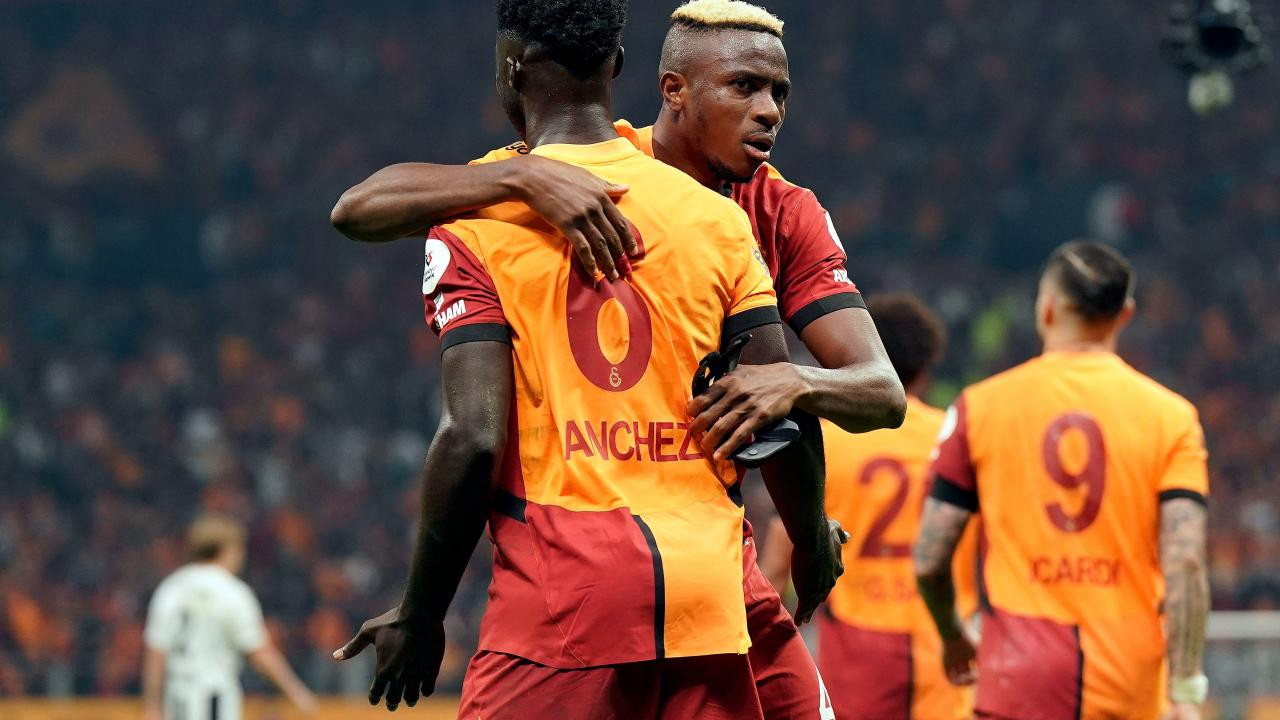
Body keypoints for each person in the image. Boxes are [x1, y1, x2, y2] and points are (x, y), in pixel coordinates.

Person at [330, 2, 903, 716]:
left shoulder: (777, 210)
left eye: (779, 93)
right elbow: (362, 207)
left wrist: (791, 388)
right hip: (705, 579)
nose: (769, 112)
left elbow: (867, 393)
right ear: (660, 86)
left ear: (513, 71)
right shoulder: (711, 218)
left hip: (581, 588)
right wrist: (528, 177)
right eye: (745, 87)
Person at [914, 240, 1211, 720]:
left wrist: (952, 637)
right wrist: (1185, 688)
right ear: (1125, 315)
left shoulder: (980, 407)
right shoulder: (1172, 417)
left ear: (1047, 308)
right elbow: (1187, 560)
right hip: (1127, 673)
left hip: (1019, 669)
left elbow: (930, 559)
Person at [761, 294, 980, 720]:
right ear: (927, 365)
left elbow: (774, 567)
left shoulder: (826, 442)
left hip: (856, 645)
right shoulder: (954, 438)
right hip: (939, 637)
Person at [142, 515, 317, 720]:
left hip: (176, 700)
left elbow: (156, 651)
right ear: (227, 549)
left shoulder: (171, 588)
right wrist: (296, 691)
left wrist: (151, 705)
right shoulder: (233, 592)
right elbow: (258, 650)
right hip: (214, 699)